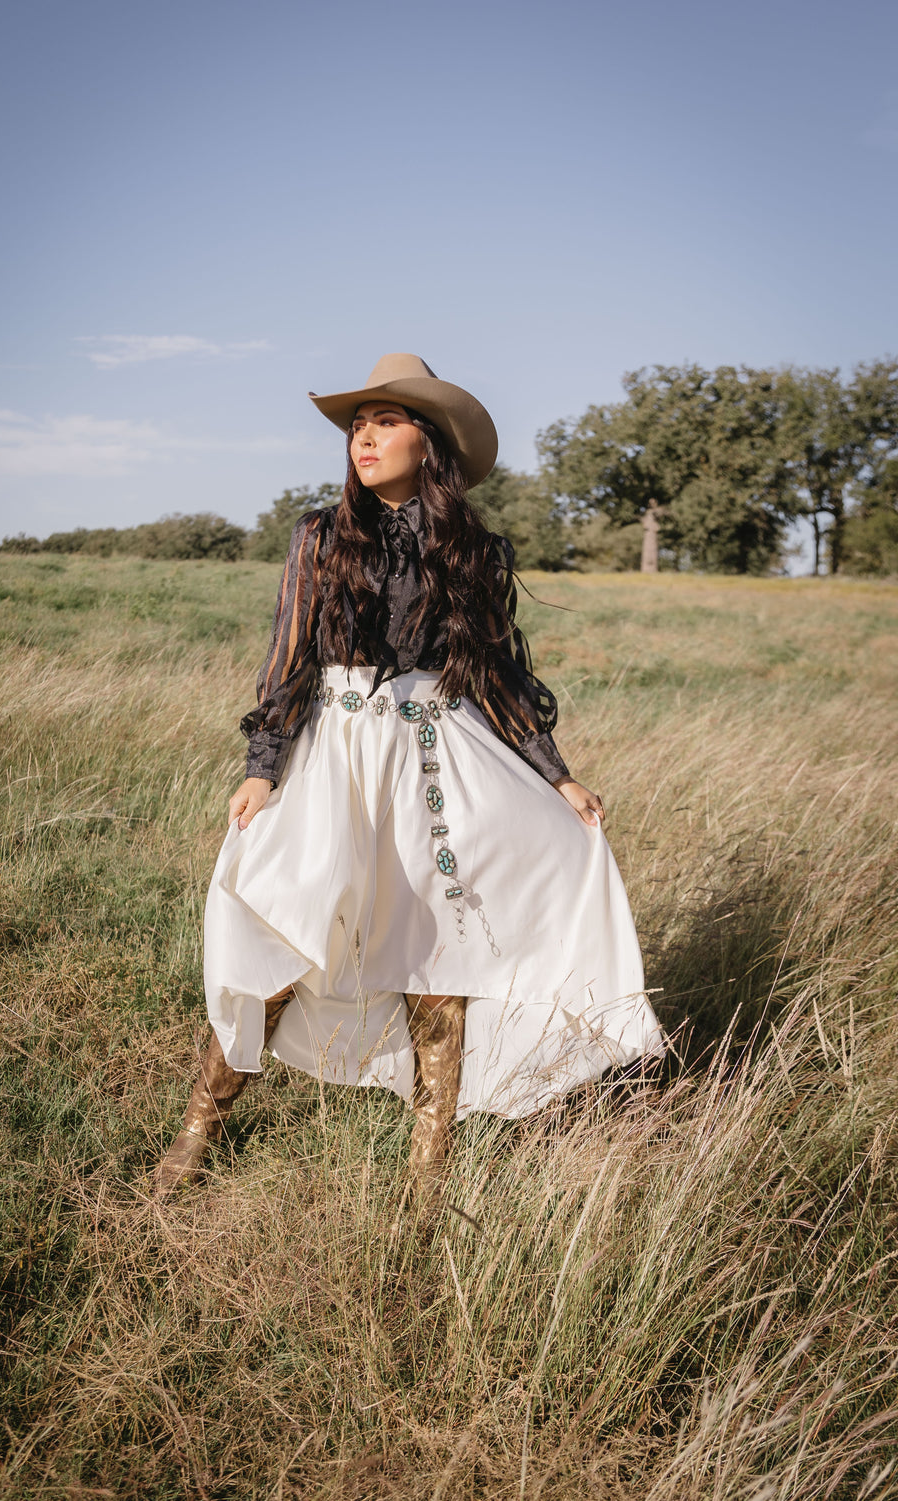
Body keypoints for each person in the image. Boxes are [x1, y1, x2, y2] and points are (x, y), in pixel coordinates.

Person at [154, 354, 663, 1198]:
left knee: (439, 960)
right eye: (358, 424)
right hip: (337, 755)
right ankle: (196, 1132)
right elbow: (288, 657)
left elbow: (495, 671)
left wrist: (555, 773)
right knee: (283, 934)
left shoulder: (476, 549)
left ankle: (427, 1178)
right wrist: (263, 766)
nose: (365, 437)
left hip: (438, 755)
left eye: (386, 422)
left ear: (429, 442)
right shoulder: (319, 534)